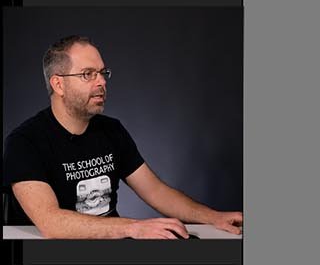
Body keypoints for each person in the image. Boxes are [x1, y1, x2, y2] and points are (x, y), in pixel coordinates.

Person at [4, 35, 242, 239]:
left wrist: (213, 217)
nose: (102, 81)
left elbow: (156, 191)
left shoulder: (111, 131)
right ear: (58, 84)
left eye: (102, 72)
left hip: (113, 249)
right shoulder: (24, 142)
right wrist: (134, 228)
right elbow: (51, 223)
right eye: (88, 74)